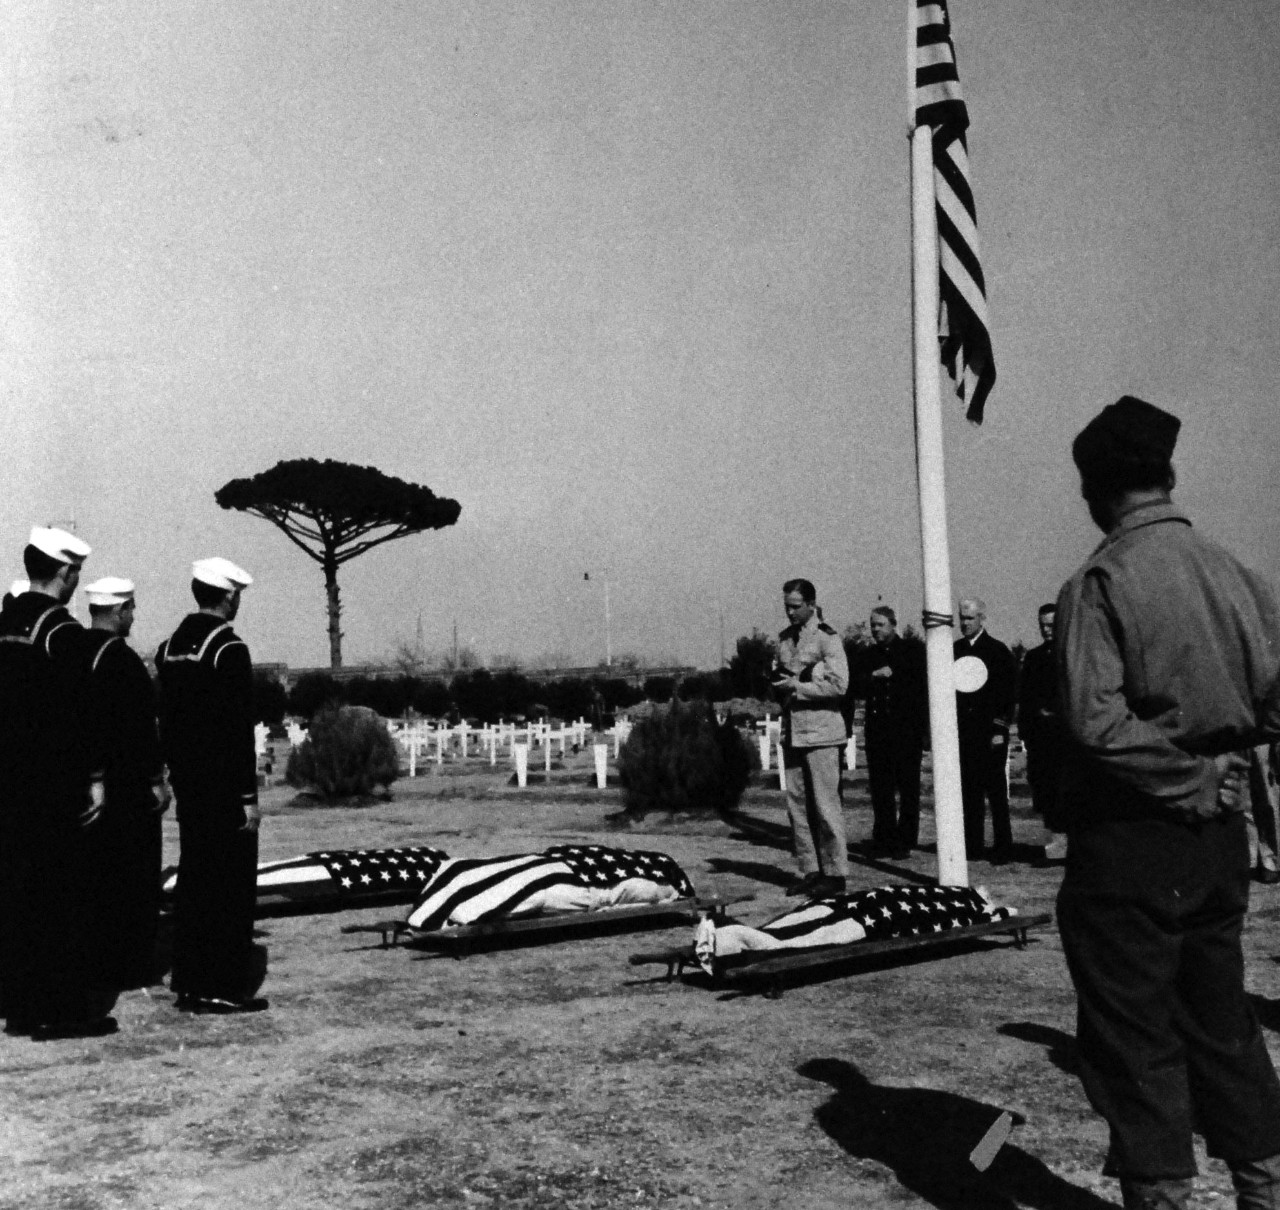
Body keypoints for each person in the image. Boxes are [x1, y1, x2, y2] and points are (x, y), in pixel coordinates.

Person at [1055, 395, 1280, 1210]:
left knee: (1135, 1043)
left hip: (1131, 843)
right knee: (1225, 1028)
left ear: (1094, 490)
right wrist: (1226, 764)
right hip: (1220, 844)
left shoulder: (1101, 580)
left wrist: (1183, 779)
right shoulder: (1237, 573)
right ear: (1167, 475)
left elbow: (1094, 720)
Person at [0, 528, 119, 1040]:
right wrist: (94, 778)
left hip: (11, 780)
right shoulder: (60, 631)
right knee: (62, 896)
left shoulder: (6, 622)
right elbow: (81, 715)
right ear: (66, 573)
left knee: (18, 894)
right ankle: (61, 1008)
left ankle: (22, 1005)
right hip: (53, 783)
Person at [157, 557, 266, 1014]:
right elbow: (237, 731)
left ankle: (189, 978)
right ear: (227, 596)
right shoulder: (229, 650)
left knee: (195, 880)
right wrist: (248, 797)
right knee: (229, 887)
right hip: (224, 789)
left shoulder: (168, 649)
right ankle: (222, 983)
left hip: (189, 785)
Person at [82, 577, 170, 990]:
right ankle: (132, 965)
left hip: (87, 784)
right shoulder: (123, 660)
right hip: (127, 788)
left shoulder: (72, 651)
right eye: (131, 609)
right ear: (119, 611)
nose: (133, 617)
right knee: (133, 881)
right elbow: (141, 730)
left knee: (96, 881)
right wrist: (157, 781)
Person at [774, 579, 850, 899]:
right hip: (793, 732)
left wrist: (798, 688)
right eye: (787, 606)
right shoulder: (784, 640)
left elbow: (839, 685)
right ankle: (810, 868)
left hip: (822, 733)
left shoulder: (827, 639)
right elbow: (779, 678)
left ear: (811, 604)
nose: (790, 612)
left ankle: (835, 873)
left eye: (796, 606)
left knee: (825, 806)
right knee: (797, 807)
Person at [855, 606, 927, 858]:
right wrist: (874, 676)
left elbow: (921, 688)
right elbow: (854, 684)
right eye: (873, 625)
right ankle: (884, 837)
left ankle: (905, 840)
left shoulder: (912, 651)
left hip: (906, 731)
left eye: (881, 625)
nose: (876, 630)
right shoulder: (868, 655)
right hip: (879, 731)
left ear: (893, 624)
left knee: (908, 788)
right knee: (881, 788)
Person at [952, 597, 1017, 862]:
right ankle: (973, 845)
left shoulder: (998, 651)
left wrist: (1000, 728)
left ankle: (1003, 846)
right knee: (969, 791)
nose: (964, 623)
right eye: (962, 618)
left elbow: (1008, 694)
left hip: (990, 733)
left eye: (970, 618)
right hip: (964, 733)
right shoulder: (952, 650)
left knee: (996, 791)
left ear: (982, 619)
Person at [1018, 602, 1068, 863]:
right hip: (1042, 740)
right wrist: (1027, 732)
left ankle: (1069, 844)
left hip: (1067, 739)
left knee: (1066, 792)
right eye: (1042, 626)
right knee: (1045, 790)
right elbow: (1025, 698)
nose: (1046, 630)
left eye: (1051, 625)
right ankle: (1055, 842)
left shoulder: (1072, 653)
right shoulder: (1034, 657)